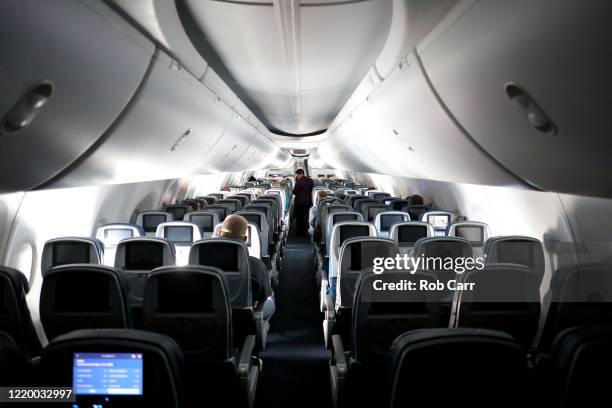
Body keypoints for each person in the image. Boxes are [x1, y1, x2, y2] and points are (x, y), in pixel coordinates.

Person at [218, 214, 275, 320]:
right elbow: (264, 294)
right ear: (244, 238)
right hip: (243, 324)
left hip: (210, 322)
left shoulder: (200, 261)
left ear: (219, 233)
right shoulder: (255, 265)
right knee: (270, 301)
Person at [292, 169, 314, 236]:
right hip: (307, 202)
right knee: (306, 217)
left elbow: (295, 192)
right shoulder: (310, 180)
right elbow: (312, 190)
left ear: (301, 174)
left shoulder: (298, 182)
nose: (297, 176)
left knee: (299, 218)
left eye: (298, 175)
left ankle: (299, 233)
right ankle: (305, 232)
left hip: (299, 202)